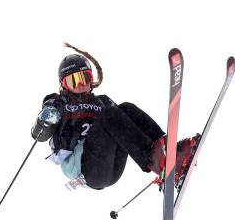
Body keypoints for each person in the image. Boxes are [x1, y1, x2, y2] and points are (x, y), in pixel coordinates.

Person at [31, 48, 200, 190]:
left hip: (111, 165)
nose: (82, 84)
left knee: (125, 108)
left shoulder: (101, 101)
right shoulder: (60, 102)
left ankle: (169, 153)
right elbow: (39, 135)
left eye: (86, 78)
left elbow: (125, 125)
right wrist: (45, 120)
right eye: (74, 80)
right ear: (64, 85)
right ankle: (160, 161)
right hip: (86, 169)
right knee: (109, 114)